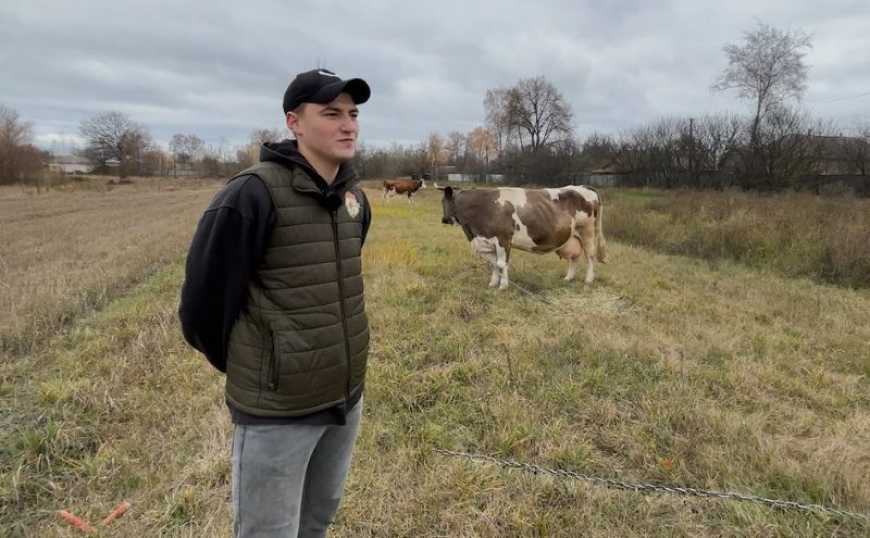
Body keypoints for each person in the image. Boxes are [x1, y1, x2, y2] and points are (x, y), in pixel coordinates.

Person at [179, 68, 373, 538]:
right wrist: (265, 368)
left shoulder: (355, 199)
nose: (348, 124)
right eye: (331, 113)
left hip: (345, 401)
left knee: (317, 521)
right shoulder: (251, 194)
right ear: (293, 122)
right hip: (279, 413)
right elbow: (201, 309)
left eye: (353, 113)